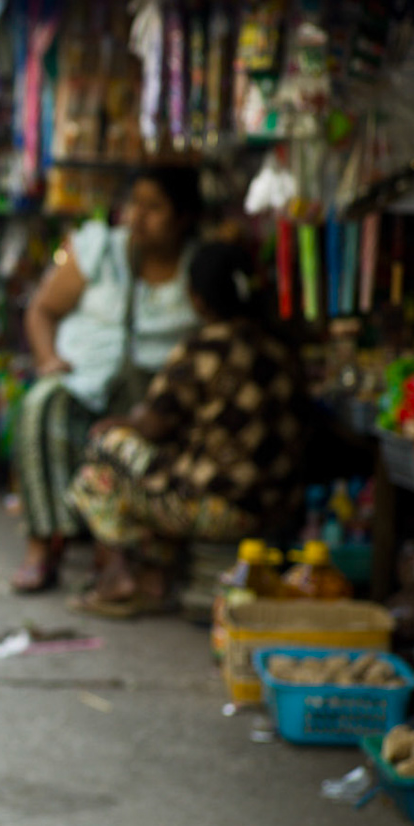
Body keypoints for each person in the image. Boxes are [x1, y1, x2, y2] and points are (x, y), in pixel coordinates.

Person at [67, 242, 305, 617]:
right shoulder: (282, 346)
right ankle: (152, 576)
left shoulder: (205, 346)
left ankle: (122, 575)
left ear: (196, 298)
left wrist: (120, 425)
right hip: (278, 504)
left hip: (220, 507)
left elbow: (152, 424)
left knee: (100, 466)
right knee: (163, 471)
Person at [12, 167, 202, 593]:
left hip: (156, 395)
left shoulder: (196, 267)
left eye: (154, 208)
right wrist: (48, 359)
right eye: (135, 204)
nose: (138, 217)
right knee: (42, 403)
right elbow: (41, 310)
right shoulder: (99, 248)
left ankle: (124, 555)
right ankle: (43, 543)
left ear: (184, 216)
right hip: (86, 381)